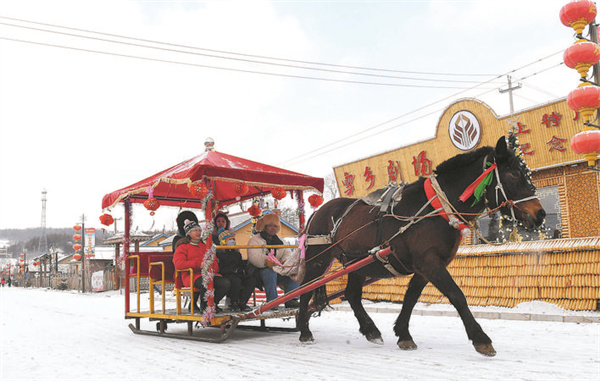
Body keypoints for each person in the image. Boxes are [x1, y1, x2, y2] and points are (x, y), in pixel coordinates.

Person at [173, 219, 231, 314]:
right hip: (191, 275)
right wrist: (199, 265)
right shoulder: (182, 247)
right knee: (206, 282)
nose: (198, 232)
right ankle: (204, 308)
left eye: (199, 230)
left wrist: (212, 267)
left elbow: (215, 261)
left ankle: (212, 304)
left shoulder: (205, 246)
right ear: (189, 233)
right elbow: (179, 264)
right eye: (195, 230)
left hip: (208, 273)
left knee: (225, 283)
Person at [247, 213, 300, 308]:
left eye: (275, 226)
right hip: (258, 273)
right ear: (264, 227)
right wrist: (267, 261)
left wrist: (285, 262)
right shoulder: (254, 240)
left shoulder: (282, 241)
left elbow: (288, 255)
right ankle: (272, 301)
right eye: (270, 225)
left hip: (278, 271)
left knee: (295, 271)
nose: (273, 228)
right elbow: (254, 257)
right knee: (270, 271)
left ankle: (291, 299)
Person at [215, 227, 256, 312]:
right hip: (226, 274)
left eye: (233, 239)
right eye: (229, 240)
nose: (232, 242)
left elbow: (240, 264)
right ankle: (234, 303)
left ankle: (243, 301)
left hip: (237, 273)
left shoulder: (237, 253)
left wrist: (244, 269)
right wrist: (232, 271)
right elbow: (220, 268)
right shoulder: (219, 254)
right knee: (235, 281)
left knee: (251, 280)